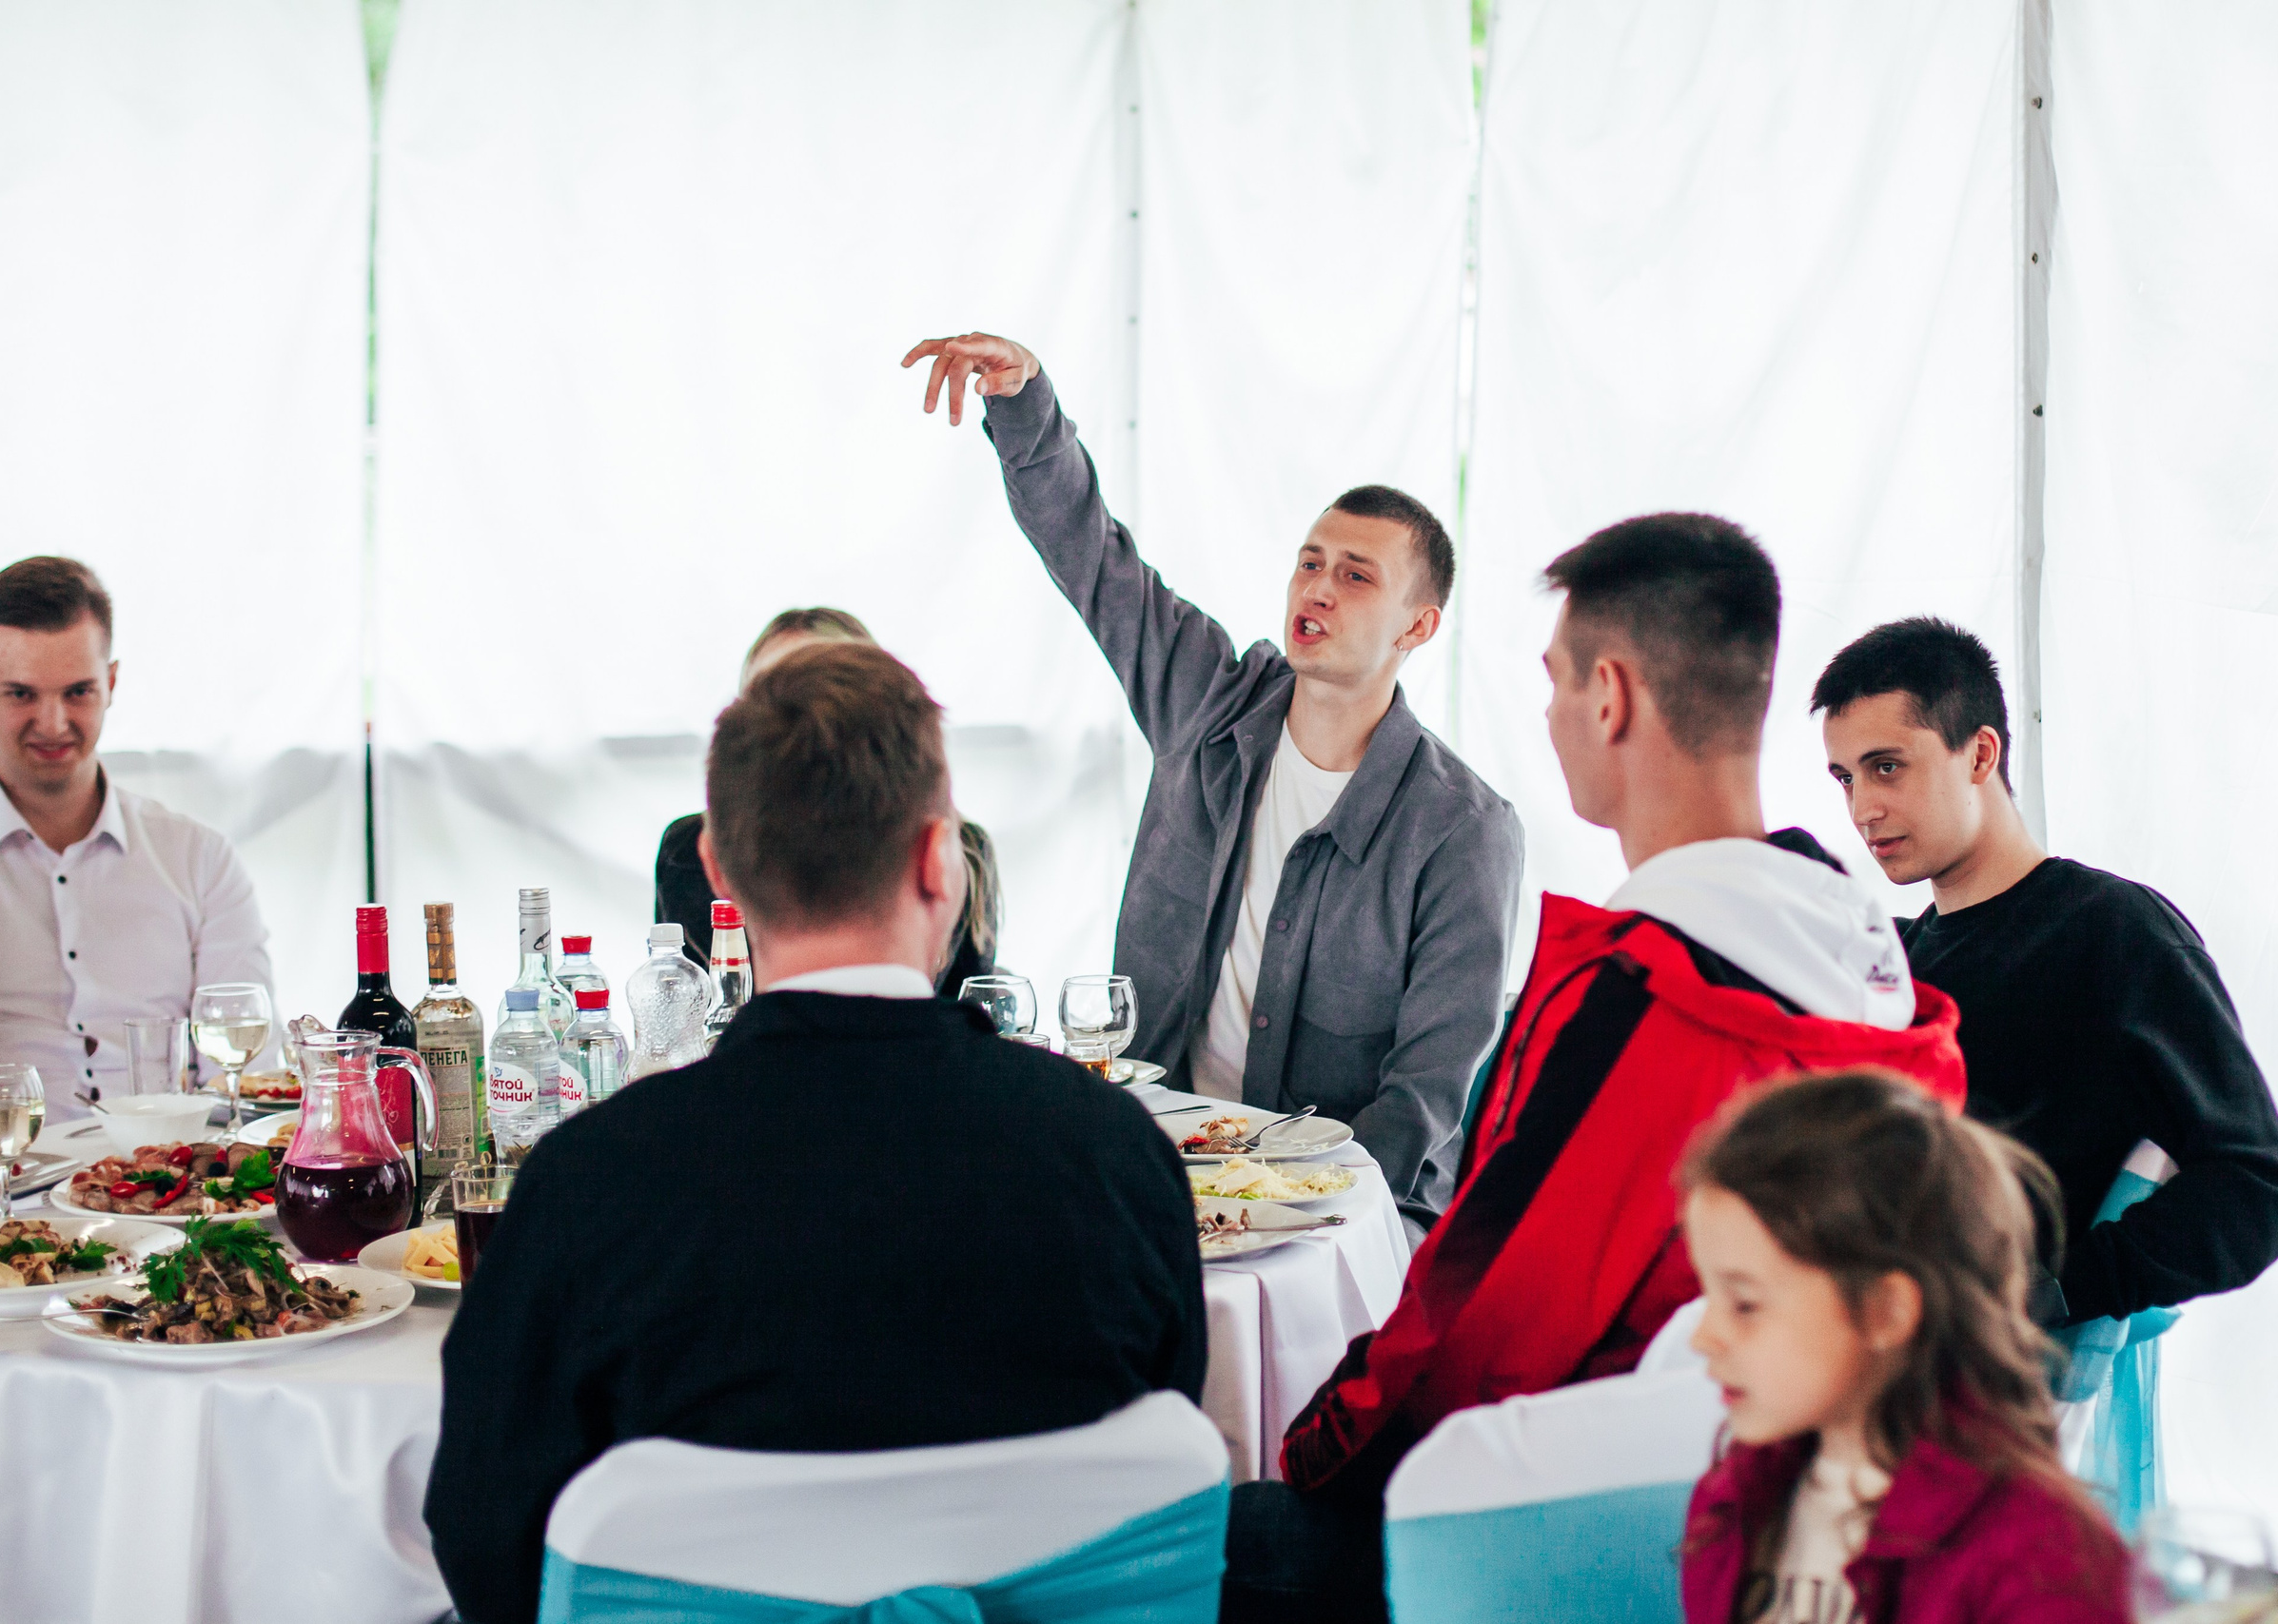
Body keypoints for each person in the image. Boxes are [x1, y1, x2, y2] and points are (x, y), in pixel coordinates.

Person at [1236, 515, 1969, 1622]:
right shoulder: (1876, 980)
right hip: (1797, 1520)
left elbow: (1483, 1328)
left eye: (1554, 683)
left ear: (1610, 697)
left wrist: (1311, 1448)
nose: (1549, 715)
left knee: (1213, 1535)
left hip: (1588, 1535)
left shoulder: (1639, 998)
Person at [424, 641, 1206, 1624]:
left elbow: (487, 1536)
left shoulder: (588, 1184)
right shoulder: (1115, 1156)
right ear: (938, 861)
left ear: (719, 872)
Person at [905, 332, 1523, 1235]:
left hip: (1343, 1216)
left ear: (1418, 627)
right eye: (1310, 562)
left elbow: (1426, 1095)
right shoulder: (1209, 702)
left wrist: (1280, 1206)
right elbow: (1097, 561)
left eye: (1356, 576)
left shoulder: (1463, 829)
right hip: (1152, 1161)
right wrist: (1024, 402)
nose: (1318, 588)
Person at [1813, 617, 2278, 1327]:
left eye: (1887, 766)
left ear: (1980, 754)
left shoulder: (2114, 931)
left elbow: (2254, 1182)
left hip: (2002, 1396)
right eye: (1845, 777)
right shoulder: (1894, 958)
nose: (1862, 808)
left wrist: (2060, 1289)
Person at [1679, 1069, 2130, 1624]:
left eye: (1745, 1303)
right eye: (1708, 1295)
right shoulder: (1736, 1500)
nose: (1703, 1338)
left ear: (1886, 1311)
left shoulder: (2043, 1557)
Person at [0, 558, 270, 1123]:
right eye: (21, 694)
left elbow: (247, 1075)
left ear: (111, 683)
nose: (52, 722)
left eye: (78, 692)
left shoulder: (202, 859)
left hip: (171, 1193)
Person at [654, 606, 1003, 995]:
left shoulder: (964, 849)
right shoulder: (686, 853)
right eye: (783, 695)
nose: (814, 720)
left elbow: (974, 1010)